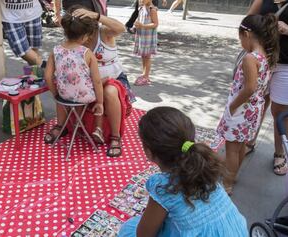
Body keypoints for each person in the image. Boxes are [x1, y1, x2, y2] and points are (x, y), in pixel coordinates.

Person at [118, 106, 248, 237]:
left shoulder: (162, 186)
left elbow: (143, 234)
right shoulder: (204, 166)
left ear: (148, 152)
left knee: (128, 229)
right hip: (237, 232)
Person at [45, 6, 133, 157]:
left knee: (109, 91)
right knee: (64, 85)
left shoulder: (104, 32)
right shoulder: (74, 36)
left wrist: (97, 16)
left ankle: (115, 137)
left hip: (112, 79)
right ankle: (61, 126)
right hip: (88, 82)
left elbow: (121, 28)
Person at [216, 14, 279, 194]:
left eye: (240, 38)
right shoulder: (264, 56)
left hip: (242, 109)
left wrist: (233, 105)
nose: (240, 43)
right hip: (253, 110)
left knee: (231, 149)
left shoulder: (250, 58)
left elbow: (249, 87)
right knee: (241, 145)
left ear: (247, 34)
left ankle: (227, 183)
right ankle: (233, 174)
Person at [43, 12, 104, 144]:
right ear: (83, 36)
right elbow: (97, 81)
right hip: (85, 96)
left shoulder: (55, 50)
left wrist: (56, 94)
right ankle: (93, 127)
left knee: (69, 89)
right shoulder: (87, 53)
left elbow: (47, 77)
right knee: (105, 81)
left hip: (64, 96)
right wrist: (100, 102)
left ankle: (63, 125)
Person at [246, 0, 288, 175]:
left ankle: (279, 152)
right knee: (258, 102)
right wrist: (264, 24)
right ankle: (250, 140)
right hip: (262, 60)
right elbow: (247, 22)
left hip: (286, 64)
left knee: (280, 111)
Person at [0, 0, 43, 66]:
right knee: (23, 50)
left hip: (34, 13)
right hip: (10, 18)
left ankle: (37, 74)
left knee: (34, 50)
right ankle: (48, 68)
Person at [133, 0, 158, 85]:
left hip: (148, 37)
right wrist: (135, 25)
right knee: (143, 56)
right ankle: (144, 73)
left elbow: (155, 24)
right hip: (142, 36)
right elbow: (139, 19)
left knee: (147, 57)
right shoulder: (141, 8)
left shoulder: (152, 9)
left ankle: (146, 77)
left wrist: (143, 26)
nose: (141, 0)